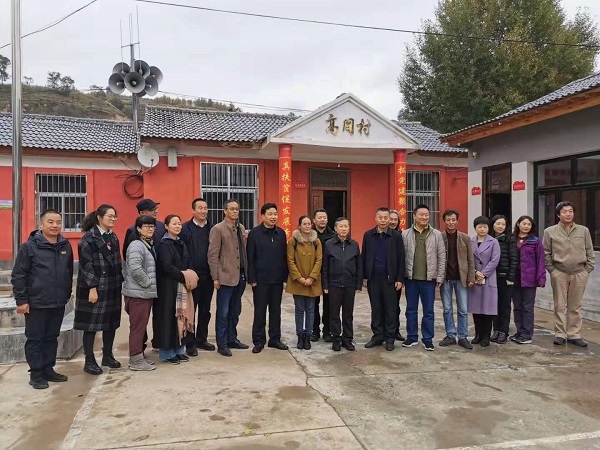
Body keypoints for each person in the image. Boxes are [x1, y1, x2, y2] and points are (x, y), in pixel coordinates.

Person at [11, 209, 74, 389]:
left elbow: (69, 272)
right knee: (35, 338)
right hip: (37, 302)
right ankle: (36, 373)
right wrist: (22, 300)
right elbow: (19, 275)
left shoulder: (65, 246)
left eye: (58, 222)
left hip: (58, 302)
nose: (55, 225)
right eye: (50, 222)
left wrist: (66, 293)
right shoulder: (29, 247)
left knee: (51, 337)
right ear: (41, 224)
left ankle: (48, 369)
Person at [74, 204, 123, 375]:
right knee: (91, 325)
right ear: (99, 218)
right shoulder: (88, 238)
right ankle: (89, 360)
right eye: (109, 216)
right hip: (95, 287)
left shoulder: (113, 236)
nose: (113, 219)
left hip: (112, 286)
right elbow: (86, 267)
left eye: (114, 216)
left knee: (111, 323)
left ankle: (107, 356)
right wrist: (92, 288)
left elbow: (117, 262)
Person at [543, 201, 595, 348]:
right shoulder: (550, 231)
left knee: (575, 306)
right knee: (559, 305)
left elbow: (590, 251)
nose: (568, 214)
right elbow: (546, 252)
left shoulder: (583, 231)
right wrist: (552, 271)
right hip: (559, 272)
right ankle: (560, 334)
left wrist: (587, 269)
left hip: (579, 272)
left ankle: (573, 334)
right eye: (564, 211)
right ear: (558, 215)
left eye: (570, 211)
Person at [208, 199, 250, 357]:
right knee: (223, 312)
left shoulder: (240, 228)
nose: (235, 211)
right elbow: (213, 255)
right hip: (225, 277)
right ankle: (222, 343)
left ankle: (232, 338)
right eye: (232, 209)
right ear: (225, 211)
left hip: (240, 277)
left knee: (235, 310)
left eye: (237, 209)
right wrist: (215, 277)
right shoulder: (218, 229)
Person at [402, 205, 445, 351]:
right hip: (411, 279)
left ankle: (427, 339)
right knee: (411, 310)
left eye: (426, 214)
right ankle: (412, 336)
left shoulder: (436, 234)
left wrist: (440, 276)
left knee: (428, 311)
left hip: (429, 280)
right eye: (421, 215)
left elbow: (441, 256)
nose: (424, 217)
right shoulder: (406, 234)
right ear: (414, 216)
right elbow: (402, 256)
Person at [156, 214, 198, 364]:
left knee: (182, 317)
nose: (178, 226)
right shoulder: (163, 245)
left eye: (179, 223)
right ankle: (168, 353)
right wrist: (183, 276)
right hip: (168, 287)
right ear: (166, 226)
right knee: (169, 319)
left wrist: (189, 273)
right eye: (174, 224)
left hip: (181, 286)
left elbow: (189, 261)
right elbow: (166, 266)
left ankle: (179, 350)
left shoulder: (181, 243)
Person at [247, 203, 289, 354]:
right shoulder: (254, 234)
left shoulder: (281, 233)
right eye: (270, 214)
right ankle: (259, 340)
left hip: (277, 280)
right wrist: (252, 278)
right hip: (260, 280)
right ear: (263, 216)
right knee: (260, 311)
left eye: (275, 214)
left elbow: (284, 257)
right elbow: (250, 257)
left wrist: (285, 277)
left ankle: (275, 339)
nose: (273, 217)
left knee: (276, 311)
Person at [362, 207, 405, 351]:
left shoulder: (396, 236)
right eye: (380, 217)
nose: (383, 220)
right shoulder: (368, 235)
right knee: (376, 308)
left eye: (386, 218)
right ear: (375, 218)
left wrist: (399, 278)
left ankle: (390, 338)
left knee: (390, 309)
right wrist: (364, 276)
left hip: (390, 279)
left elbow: (401, 258)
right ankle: (377, 336)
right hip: (373, 278)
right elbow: (364, 255)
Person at [180, 198, 215, 356]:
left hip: (208, 275)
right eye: (200, 208)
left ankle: (202, 338)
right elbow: (182, 252)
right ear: (193, 210)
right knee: (190, 310)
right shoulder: (185, 229)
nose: (203, 211)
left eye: (205, 208)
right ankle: (190, 342)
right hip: (192, 276)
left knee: (205, 309)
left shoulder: (212, 228)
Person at [122, 215, 158, 371]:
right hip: (138, 294)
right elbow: (135, 269)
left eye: (152, 226)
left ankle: (138, 357)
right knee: (137, 328)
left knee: (140, 327)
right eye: (146, 226)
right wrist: (148, 283)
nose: (150, 229)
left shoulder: (146, 244)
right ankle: (136, 361)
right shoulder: (137, 245)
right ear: (138, 228)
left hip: (143, 293)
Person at [322, 217, 362, 351]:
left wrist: (358, 284)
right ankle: (336, 338)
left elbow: (359, 265)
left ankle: (347, 339)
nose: (344, 229)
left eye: (346, 226)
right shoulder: (329, 244)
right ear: (335, 228)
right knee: (334, 313)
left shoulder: (354, 244)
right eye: (341, 226)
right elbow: (325, 266)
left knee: (348, 313)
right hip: (334, 284)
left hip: (349, 284)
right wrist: (325, 285)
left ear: (349, 228)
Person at [439, 209, 475, 350]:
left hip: (461, 278)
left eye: (453, 219)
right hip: (446, 279)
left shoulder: (465, 238)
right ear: (444, 221)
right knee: (447, 308)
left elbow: (470, 259)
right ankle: (450, 335)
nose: (451, 222)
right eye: (448, 220)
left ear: (457, 221)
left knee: (463, 309)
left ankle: (463, 337)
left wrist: (471, 277)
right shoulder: (439, 237)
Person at [286, 215, 323, 350]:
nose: (307, 226)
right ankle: (300, 336)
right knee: (299, 309)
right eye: (304, 224)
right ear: (299, 226)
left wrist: (312, 278)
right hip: (298, 281)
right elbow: (290, 261)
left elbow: (319, 260)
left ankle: (308, 335)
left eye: (309, 224)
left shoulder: (316, 241)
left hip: (312, 281)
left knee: (311, 310)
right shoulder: (293, 241)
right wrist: (300, 278)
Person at [511, 215, 546, 345]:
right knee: (517, 306)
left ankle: (527, 334)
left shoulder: (535, 241)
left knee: (527, 307)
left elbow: (541, 260)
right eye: (524, 223)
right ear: (518, 224)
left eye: (529, 224)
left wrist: (541, 278)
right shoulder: (512, 239)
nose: (526, 226)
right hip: (515, 277)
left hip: (529, 278)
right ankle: (519, 331)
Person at [469, 216, 501, 347]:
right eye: (479, 227)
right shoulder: (470, 241)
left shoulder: (493, 242)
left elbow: (495, 260)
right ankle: (477, 335)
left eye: (485, 227)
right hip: (475, 278)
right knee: (476, 309)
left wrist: (483, 273)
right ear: (475, 228)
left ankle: (486, 336)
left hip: (488, 278)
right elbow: (468, 258)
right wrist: (475, 272)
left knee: (487, 309)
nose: (482, 229)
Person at [490, 215, 518, 344]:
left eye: (503, 224)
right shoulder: (489, 238)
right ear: (493, 224)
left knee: (505, 305)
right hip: (492, 277)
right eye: (498, 224)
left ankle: (503, 331)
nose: (500, 226)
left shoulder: (510, 239)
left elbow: (514, 259)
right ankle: (496, 329)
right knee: (494, 305)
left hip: (505, 277)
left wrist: (511, 277)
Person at [311, 208, 335, 342]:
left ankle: (327, 331)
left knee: (329, 305)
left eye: (324, 218)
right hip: (314, 274)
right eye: (319, 218)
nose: (322, 220)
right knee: (313, 305)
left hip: (329, 274)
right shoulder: (309, 235)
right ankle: (314, 331)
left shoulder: (333, 235)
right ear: (314, 220)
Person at [388, 209, 405, 342]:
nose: (393, 222)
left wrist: (400, 278)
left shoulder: (401, 236)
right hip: (381, 277)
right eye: (391, 219)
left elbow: (402, 258)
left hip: (395, 278)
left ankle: (395, 331)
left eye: (395, 220)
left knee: (395, 306)